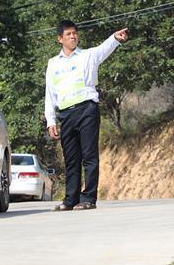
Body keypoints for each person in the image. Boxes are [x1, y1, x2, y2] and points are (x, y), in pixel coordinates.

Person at [45, 20, 128, 211]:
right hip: (66, 114)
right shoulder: (53, 64)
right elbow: (50, 93)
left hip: (87, 110)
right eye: (68, 34)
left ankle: (88, 198)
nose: (73, 36)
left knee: (89, 156)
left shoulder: (87, 55)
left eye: (75, 33)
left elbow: (103, 49)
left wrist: (115, 38)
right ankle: (70, 199)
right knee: (71, 158)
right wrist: (51, 120)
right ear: (60, 39)